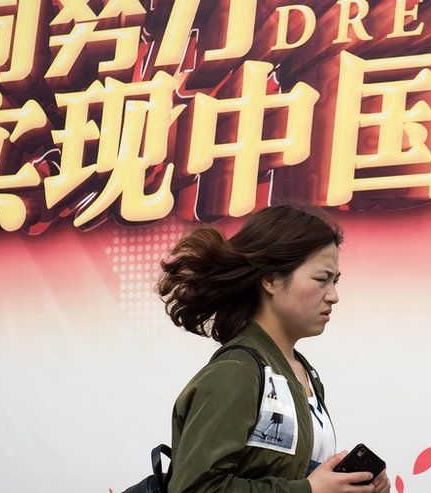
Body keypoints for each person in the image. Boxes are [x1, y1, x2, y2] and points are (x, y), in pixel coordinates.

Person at [158, 204, 391, 493]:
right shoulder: (236, 372)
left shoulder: (304, 373)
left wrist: (346, 483)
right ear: (270, 279)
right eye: (321, 279)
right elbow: (194, 489)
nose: (333, 296)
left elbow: (286, 474)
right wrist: (309, 490)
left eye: (335, 281)